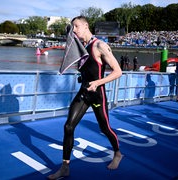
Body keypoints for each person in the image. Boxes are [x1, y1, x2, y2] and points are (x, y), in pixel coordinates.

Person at [47, 16, 123, 179]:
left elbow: (118, 72)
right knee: (68, 127)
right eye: (72, 27)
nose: (74, 29)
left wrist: (97, 82)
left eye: (76, 26)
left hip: (97, 94)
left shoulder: (100, 45)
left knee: (105, 128)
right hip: (84, 92)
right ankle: (65, 166)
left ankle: (117, 153)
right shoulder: (81, 47)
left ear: (86, 26)